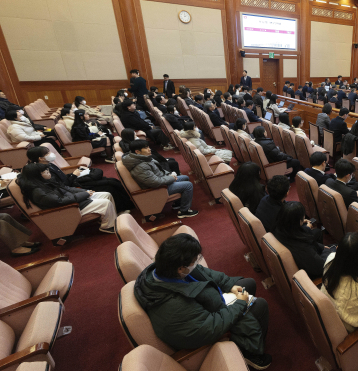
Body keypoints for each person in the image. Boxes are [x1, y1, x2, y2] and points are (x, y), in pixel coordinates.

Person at [134, 234, 272, 370]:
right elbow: (210, 327)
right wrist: (240, 304)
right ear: (181, 268)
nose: (196, 263)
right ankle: (251, 354)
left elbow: (205, 273)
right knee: (260, 306)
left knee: (248, 284)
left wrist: (229, 285)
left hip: (205, 305)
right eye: (194, 261)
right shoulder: (173, 307)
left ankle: (251, 336)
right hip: (207, 327)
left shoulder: (164, 268)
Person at [18, 163, 117, 233]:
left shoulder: (46, 181)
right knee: (105, 203)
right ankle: (108, 227)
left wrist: (85, 191)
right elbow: (59, 202)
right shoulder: (38, 191)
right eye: (45, 171)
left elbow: (66, 188)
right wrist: (85, 195)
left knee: (106, 194)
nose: (49, 172)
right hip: (67, 209)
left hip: (71, 200)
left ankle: (110, 220)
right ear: (37, 176)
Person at [122, 140, 199, 218]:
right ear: (137, 151)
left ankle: (178, 203)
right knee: (188, 185)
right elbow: (154, 182)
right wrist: (171, 178)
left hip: (161, 181)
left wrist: (169, 174)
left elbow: (159, 170)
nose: (149, 149)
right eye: (146, 148)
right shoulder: (140, 166)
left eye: (148, 147)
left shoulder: (142, 158)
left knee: (185, 177)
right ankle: (184, 211)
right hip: (157, 189)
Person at [273, 202, 333, 279]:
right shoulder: (303, 247)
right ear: (297, 221)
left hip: (309, 257)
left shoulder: (278, 229)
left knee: (318, 233)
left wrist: (321, 247)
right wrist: (327, 251)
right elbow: (321, 267)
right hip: (316, 272)